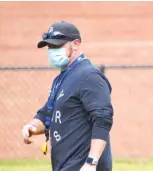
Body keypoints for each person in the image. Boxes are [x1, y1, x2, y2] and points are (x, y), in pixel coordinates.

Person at [22, 21, 114, 171]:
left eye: (57, 46)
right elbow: (48, 113)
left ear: (76, 44)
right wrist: (31, 127)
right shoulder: (62, 78)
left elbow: (103, 120)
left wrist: (91, 162)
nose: (52, 50)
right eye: (49, 46)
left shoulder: (89, 76)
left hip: (83, 166)